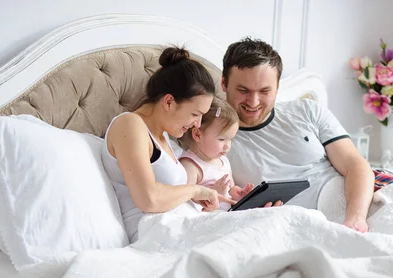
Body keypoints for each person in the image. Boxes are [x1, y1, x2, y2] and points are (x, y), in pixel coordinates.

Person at [221, 38, 377, 233]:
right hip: (293, 225)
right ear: (224, 83)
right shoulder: (208, 138)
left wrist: (356, 218)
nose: (253, 102)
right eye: (243, 90)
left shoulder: (307, 110)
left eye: (264, 91)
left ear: (277, 87)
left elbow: (355, 164)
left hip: (359, 204)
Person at [102, 46, 233, 243]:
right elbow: (149, 198)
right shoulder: (129, 124)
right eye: (195, 114)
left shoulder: (163, 138)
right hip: (155, 235)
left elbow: (168, 194)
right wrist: (195, 190)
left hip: (181, 227)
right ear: (169, 102)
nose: (197, 124)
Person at [177, 97, 255, 211]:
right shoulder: (190, 165)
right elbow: (185, 200)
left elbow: (230, 189)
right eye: (222, 139)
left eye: (231, 139)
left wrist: (238, 193)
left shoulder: (223, 161)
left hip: (226, 215)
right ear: (197, 135)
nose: (227, 146)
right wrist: (213, 193)